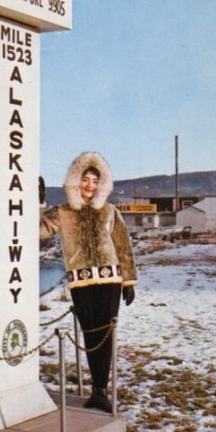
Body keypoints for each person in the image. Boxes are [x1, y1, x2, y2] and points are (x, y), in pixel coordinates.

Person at [40, 151, 137, 412]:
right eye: (85, 180)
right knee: (91, 335)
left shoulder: (109, 211)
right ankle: (98, 389)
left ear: (101, 184)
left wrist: (128, 282)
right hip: (81, 284)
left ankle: (100, 391)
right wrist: (38, 205)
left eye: (95, 181)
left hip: (110, 282)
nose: (90, 186)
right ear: (75, 181)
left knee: (106, 334)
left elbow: (123, 246)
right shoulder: (62, 212)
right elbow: (37, 232)